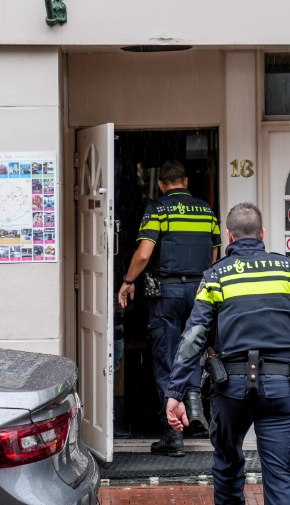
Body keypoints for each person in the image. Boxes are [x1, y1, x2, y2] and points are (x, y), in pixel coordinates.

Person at [163, 202, 290, 505]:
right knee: (281, 480)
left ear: (229, 236)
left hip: (230, 388)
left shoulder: (216, 275)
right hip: (281, 388)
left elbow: (193, 338)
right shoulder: (288, 271)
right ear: (262, 233)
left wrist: (175, 392)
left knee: (227, 473)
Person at [117, 160, 221, 457]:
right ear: (186, 181)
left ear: (161, 184)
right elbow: (214, 257)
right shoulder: (206, 211)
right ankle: (195, 408)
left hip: (167, 293)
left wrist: (128, 280)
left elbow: (143, 253)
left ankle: (172, 435)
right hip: (200, 292)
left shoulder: (158, 209)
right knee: (193, 353)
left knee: (167, 360)